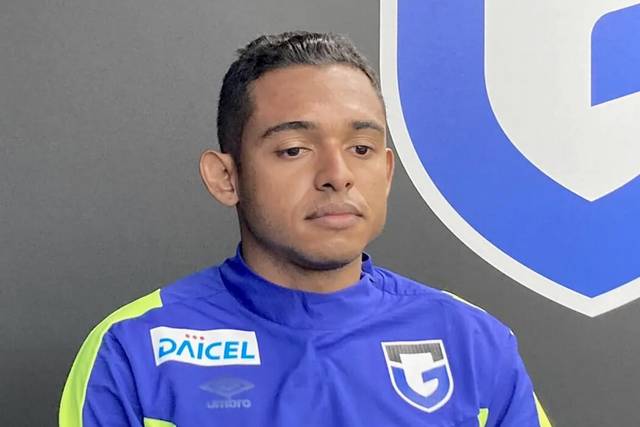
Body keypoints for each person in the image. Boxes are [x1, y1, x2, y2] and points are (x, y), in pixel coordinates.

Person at [59, 31, 552, 426]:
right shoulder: (134, 348)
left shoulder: (472, 342)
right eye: (294, 149)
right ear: (226, 177)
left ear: (386, 173)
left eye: (361, 149)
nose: (337, 174)